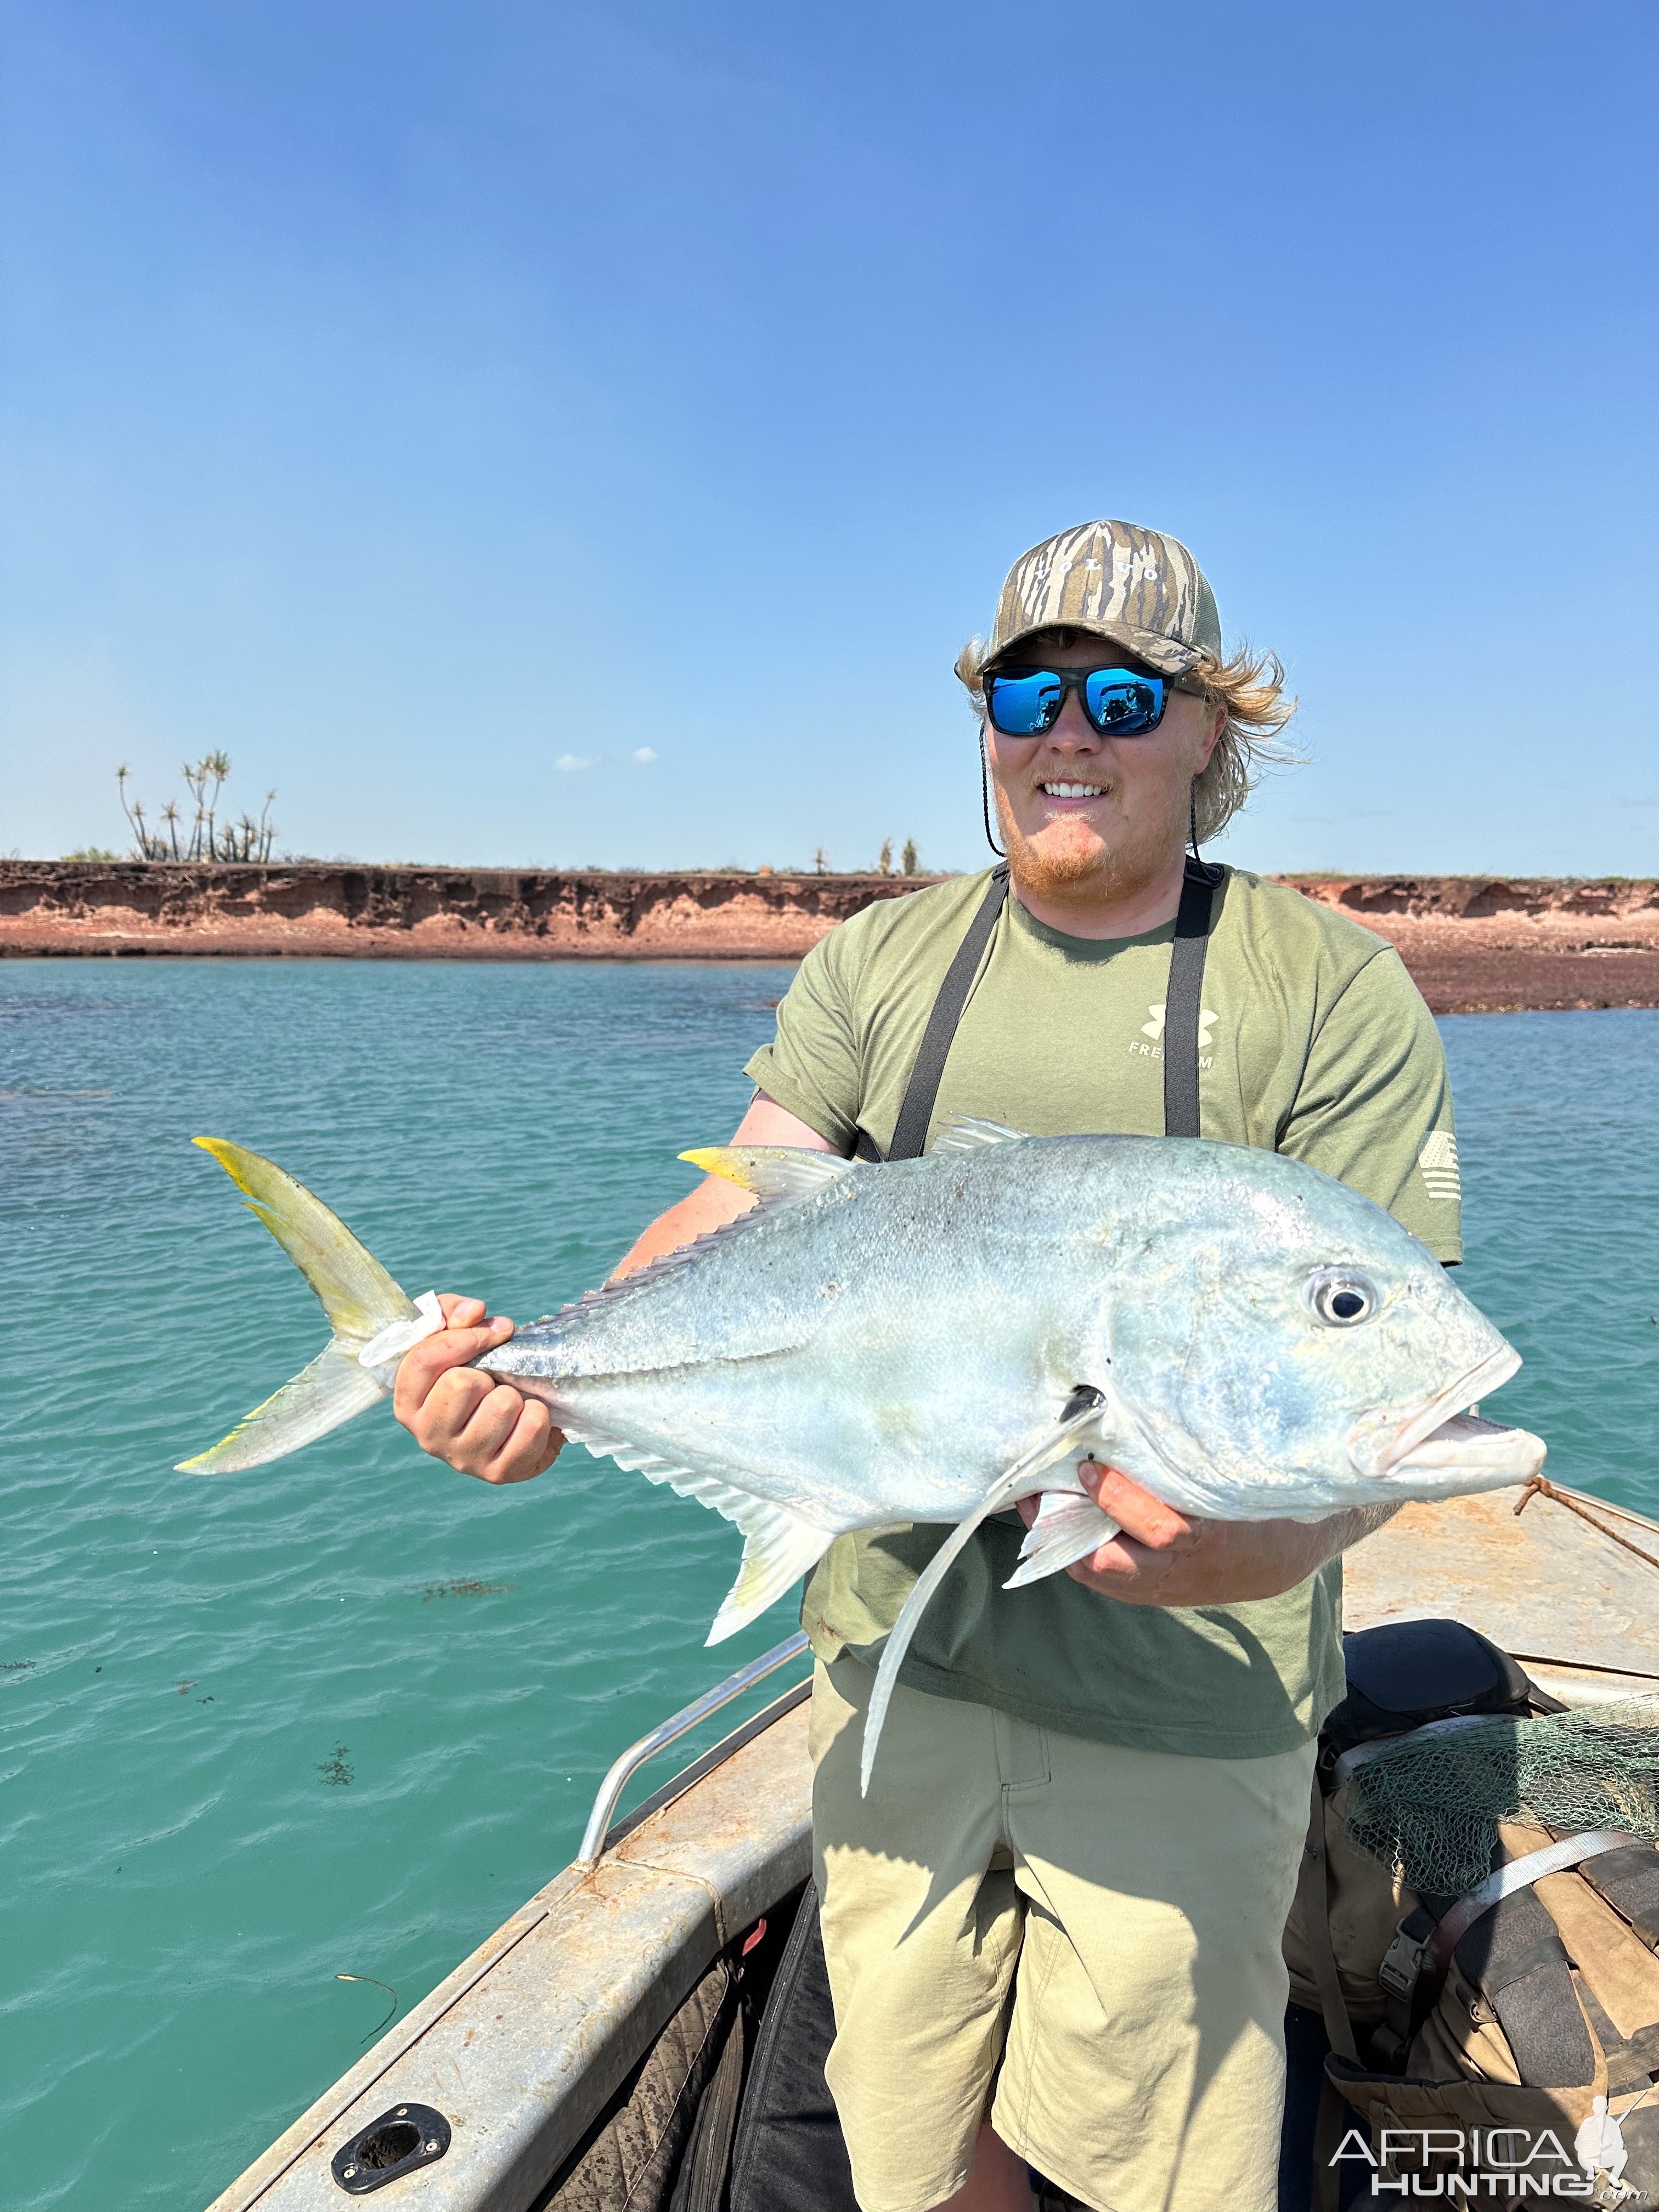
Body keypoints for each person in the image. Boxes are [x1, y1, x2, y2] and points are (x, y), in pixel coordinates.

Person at [393, 520, 1463, 2212]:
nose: (1069, 733)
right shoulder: (881, 965)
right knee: (914, 2146)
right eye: (1028, 691)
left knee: (1155, 2172)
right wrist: (536, 1379)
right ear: (985, 720)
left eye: (1124, 695)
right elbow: (735, 1209)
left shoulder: (1325, 990)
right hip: (892, 1683)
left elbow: (1368, 1390)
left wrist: (1274, 1548)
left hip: (1187, 1721)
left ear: (1209, 733)